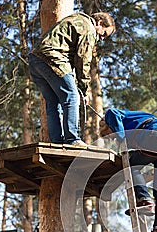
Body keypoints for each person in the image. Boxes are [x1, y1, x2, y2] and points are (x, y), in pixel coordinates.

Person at [29, 12, 115, 146]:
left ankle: (57, 142)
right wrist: (83, 90)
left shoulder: (76, 18)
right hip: (53, 58)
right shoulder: (89, 29)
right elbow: (83, 60)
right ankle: (72, 139)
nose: (102, 38)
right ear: (99, 23)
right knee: (72, 97)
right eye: (104, 34)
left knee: (53, 102)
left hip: (35, 60)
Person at [99, 108, 157, 232]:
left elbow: (112, 112)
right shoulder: (132, 127)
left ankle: (145, 200)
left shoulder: (113, 117)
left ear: (108, 126)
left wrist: (121, 139)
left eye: (109, 134)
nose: (112, 138)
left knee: (130, 166)